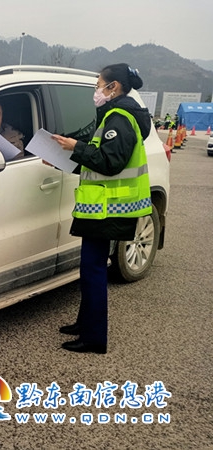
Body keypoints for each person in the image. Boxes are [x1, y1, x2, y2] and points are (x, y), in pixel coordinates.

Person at [51, 63, 152, 354]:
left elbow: (110, 162)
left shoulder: (119, 118)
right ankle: (85, 323)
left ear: (113, 87)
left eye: (99, 85)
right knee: (90, 268)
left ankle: (94, 338)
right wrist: (62, 158)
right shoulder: (115, 115)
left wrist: (75, 147)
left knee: (93, 270)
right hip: (103, 207)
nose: (96, 91)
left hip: (109, 208)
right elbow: (97, 159)